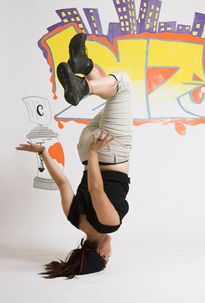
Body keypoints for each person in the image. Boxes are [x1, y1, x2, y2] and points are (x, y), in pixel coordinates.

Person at [16, 33, 132, 278]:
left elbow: (97, 188)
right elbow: (62, 182)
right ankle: (84, 65)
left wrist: (93, 152)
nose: (110, 253)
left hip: (107, 148)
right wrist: (42, 152)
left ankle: (83, 87)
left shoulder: (110, 223)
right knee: (110, 91)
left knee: (122, 86)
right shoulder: (74, 219)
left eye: (108, 257)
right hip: (86, 146)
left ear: (100, 253)